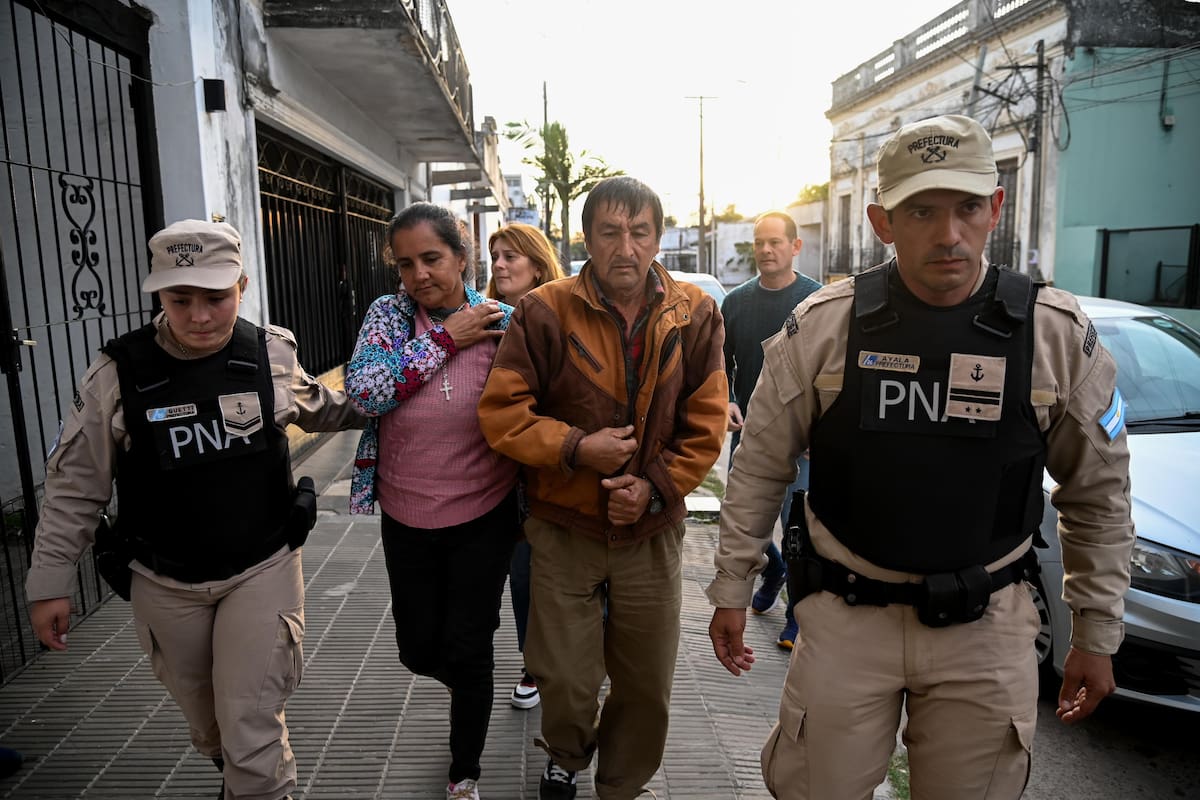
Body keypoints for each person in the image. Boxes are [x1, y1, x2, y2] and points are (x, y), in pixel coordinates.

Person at [706, 115, 1135, 800]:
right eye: (921, 211)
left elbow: (1099, 493)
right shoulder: (826, 327)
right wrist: (732, 586)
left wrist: (1097, 629)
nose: (948, 234)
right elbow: (760, 466)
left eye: (967, 208)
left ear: (995, 208)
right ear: (882, 221)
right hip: (847, 622)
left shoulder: (1049, 335)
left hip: (986, 632)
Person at [26, 219, 364, 800]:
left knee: (251, 729)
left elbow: (327, 408)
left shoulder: (269, 353)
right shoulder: (117, 374)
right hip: (163, 580)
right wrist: (49, 581)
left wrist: (420, 386)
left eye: (216, 297)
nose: (200, 316)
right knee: (213, 731)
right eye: (180, 299)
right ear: (158, 293)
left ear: (243, 286)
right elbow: (75, 484)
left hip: (262, 567)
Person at [478, 176, 728, 800]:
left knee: (646, 682)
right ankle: (566, 753)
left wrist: (654, 486)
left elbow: (707, 419)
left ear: (657, 238)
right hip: (565, 527)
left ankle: (622, 784)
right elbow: (503, 412)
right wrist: (575, 448)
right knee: (563, 675)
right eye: (611, 232)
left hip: (650, 532)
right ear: (586, 237)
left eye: (640, 232)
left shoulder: (695, 312)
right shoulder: (545, 309)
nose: (626, 247)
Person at [345, 203, 520, 800]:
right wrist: (447, 338)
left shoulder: (504, 321)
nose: (419, 274)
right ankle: (471, 682)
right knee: (418, 649)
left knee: (470, 646)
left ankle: (463, 770)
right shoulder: (389, 316)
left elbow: (539, 404)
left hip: (485, 513)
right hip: (406, 513)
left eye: (431, 258)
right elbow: (366, 393)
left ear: (462, 257)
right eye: (406, 264)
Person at [722, 210, 822, 649]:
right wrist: (726, 398)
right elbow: (718, 363)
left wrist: (819, 428)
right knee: (748, 525)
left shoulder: (816, 302)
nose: (765, 250)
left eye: (775, 242)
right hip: (752, 433)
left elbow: (830, 374)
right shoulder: (737, 302)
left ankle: (797, 614)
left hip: (802, 439)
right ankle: (774, 569)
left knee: (796, 528)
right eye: (759, 242)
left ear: (795, 247)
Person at [485, 222, 566, 711]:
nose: (499, 264)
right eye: (495, 255)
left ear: (537, 263)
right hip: (505, 475)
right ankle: (532, 663)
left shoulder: (563, 315)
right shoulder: (486, 318)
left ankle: (576, 656)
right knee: (523, 575)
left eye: (511, 256)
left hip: (560, 465)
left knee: (569, 573)